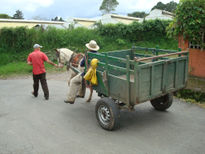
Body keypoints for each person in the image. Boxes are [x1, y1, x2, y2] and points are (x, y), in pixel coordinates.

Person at [64, 40, 100, 104]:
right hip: (97, 73)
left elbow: (81, 64)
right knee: (81, 78)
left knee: (73, 81)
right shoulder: (99, 55)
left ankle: (70, 99)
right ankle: (81, 93)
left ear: (89, 48)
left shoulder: (87, 55)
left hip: (88, 74)